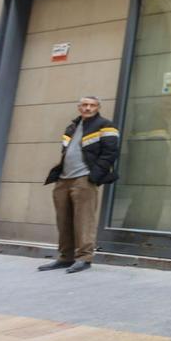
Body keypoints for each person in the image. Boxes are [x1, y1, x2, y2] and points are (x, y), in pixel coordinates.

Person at [39, 95, 120, 273]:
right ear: (79, 107)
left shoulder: (106, 126)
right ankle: (65, 257)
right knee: (63, 220)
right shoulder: (72, 127)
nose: (88, 108)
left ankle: (84, 258)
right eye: (84, 105)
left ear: (98, 108)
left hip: (84, 179)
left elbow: (110, 153)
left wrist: (94, 176)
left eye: (92, 105)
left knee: (84, 221)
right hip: (63, 179)